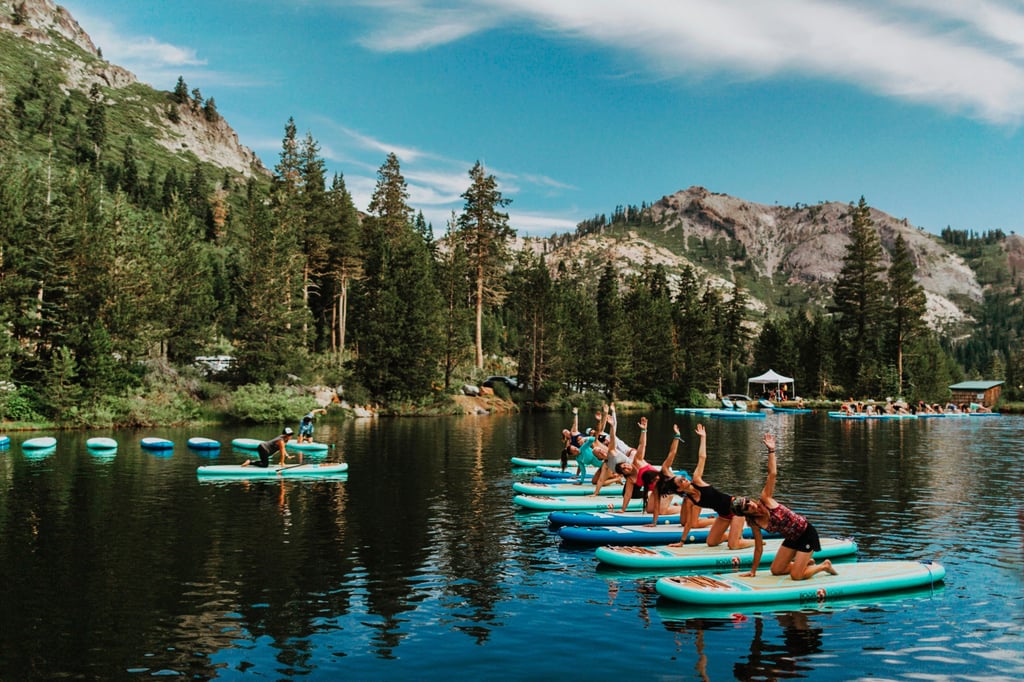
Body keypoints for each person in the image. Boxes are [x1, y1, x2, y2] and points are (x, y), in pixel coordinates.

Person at [732, 433, 838, 580]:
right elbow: (758, 548)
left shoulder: (765, 500)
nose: (751, 504)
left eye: (748, 501)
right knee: (776, 570)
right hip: (792, 538)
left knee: (796, 576)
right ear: (745, 513)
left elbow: (772, 474)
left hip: (806, 534)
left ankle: (824, 566)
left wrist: (771, 451)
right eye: (746, 507)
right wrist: (753, 571)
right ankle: (805, 562)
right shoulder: (755, 523)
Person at [666, 423, 750, 549]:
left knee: (733, 546)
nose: (684, 480)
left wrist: (703, 438)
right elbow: (689, 523)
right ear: (679, 489)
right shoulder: (689, 500)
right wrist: (681, 542)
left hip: (736, 506)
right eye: (681, 481)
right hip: (723, 515)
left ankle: (758, 543)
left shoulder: (697, 480)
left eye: (683, 478)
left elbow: (702, 457)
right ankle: (734, 536)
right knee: (711, 542)